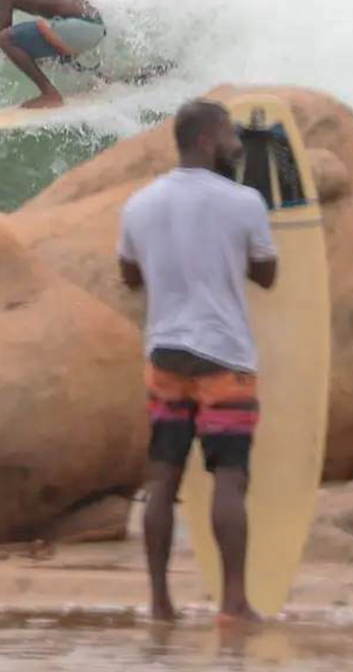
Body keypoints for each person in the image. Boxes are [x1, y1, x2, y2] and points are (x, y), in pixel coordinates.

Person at [118, 99, 278, 624]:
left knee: (162, 479)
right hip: (224, 357)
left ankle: (160, 603)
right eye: (230, 134)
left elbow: (130, 275)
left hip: (165, 354)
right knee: (229, 479)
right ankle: (233, 603)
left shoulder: (139, 204)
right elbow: (267, 273)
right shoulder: (244, 202)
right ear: (208, 140)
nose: (236, 141)